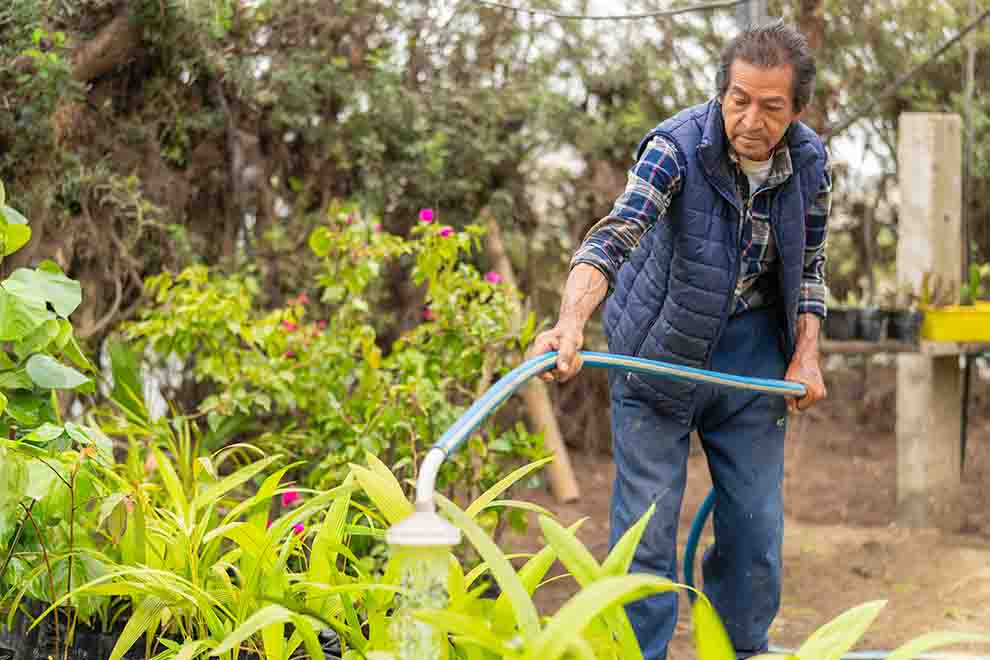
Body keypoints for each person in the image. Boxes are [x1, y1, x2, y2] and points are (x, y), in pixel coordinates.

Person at [525, 20, 832, 660]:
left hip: (750, 358)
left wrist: (806, 352)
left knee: (754, 527)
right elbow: (612, 238)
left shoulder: (809, 164)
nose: (751, 118)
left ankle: (740, 648)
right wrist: (571, 322)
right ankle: (641, 654)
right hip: (657, 351)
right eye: (738, 99)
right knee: (648, 531)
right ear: (722, 92)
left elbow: (809, 269)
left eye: (771, 106)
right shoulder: (676, 148)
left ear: (796, 110)